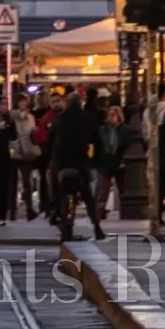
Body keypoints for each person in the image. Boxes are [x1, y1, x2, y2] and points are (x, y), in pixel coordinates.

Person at [43, 90, 102, 240]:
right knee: (87, 196)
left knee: (59, 192)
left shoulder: (59, 118)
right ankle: (96, 226)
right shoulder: (87, 118)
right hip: (80, 162)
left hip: (61, 163)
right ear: (80, 102)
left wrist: (48, 158)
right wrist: (93, 160)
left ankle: (59, 217)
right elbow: (97, 141)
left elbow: (49, 141)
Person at [92, 104, 130, 223]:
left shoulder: (124, 130)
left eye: (114, 115)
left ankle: (126, 211)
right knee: (102, 190)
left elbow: (126, 145)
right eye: (110, 114)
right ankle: (99, 213)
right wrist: (93, 159)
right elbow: (95, 145)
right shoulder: (102, 130)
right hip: (104, 163)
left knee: (123, 189)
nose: (112, 117)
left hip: (119, 163)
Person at [9, 95, 43, 221]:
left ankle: (28, 209)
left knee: (26, 181)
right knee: (15, 182)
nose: (23, 104)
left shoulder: (29, 116)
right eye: (21, 102)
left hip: (26, 152)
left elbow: (33, 131)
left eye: (25, 102)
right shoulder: (14, 116)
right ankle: (13, 210)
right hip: (17, 151)